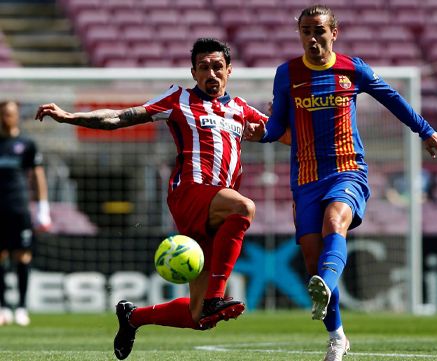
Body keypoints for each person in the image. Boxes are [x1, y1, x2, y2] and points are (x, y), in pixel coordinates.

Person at [36, 38, 282, 360]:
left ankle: (133, 317)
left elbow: (283, 135)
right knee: (244, 207)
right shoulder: (178, 99)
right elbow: (120, 118)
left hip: (215, 209)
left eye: (218, 67)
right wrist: (71, 118)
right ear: (193, 71)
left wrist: (285, 121)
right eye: (204, 67)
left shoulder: (242, 110)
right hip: (189, 194)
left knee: (199, 319)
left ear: (229, 70)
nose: (211, 73)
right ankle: (216, 297)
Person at [244, 5, 437, 361]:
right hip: (305, 178)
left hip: (347, 170)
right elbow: (278, 127)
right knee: (313, 260)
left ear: (333, 32)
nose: (312, 38)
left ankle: (326, 283)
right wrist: (257, 133)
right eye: (306, 31)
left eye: (319, 30)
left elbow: (394, 100)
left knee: (334, 223)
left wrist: (426, 131)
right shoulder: (287, 73)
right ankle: (337, 335)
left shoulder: (352, 68)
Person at [0, 100, 52, 327]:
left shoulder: (27, 144)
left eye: (10, 114)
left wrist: (43, 208)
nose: (6, 118)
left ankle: (21, 306)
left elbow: (38, 175)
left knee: (22, 256)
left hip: (20, 207)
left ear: (17, 116)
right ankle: (2, 306)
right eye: (3, 114)